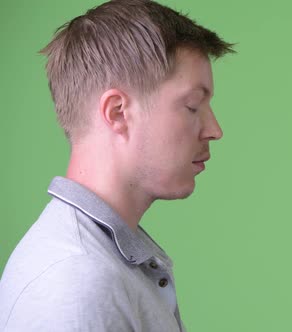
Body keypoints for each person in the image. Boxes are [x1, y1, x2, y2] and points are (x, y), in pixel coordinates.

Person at [0, 1, 234, 331]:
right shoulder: (77, 288)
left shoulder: (100, 265)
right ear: (118, 113)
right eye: (193, 106)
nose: (215, 130)